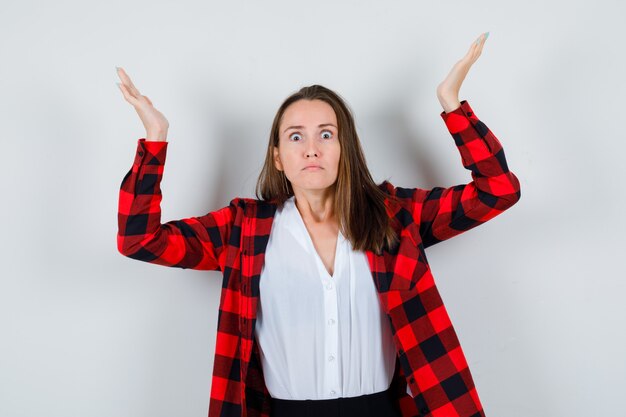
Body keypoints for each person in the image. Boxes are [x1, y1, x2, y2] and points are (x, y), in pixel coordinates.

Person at [116, 31, 520, 417]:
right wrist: (156, 138)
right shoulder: (244, 231)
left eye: (326, 134)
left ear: (345, 148)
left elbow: (497, 190)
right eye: (295, 137)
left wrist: (451, 104)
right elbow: (139, 240)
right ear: (277, 157)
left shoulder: (395, 216)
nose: (311, 149)